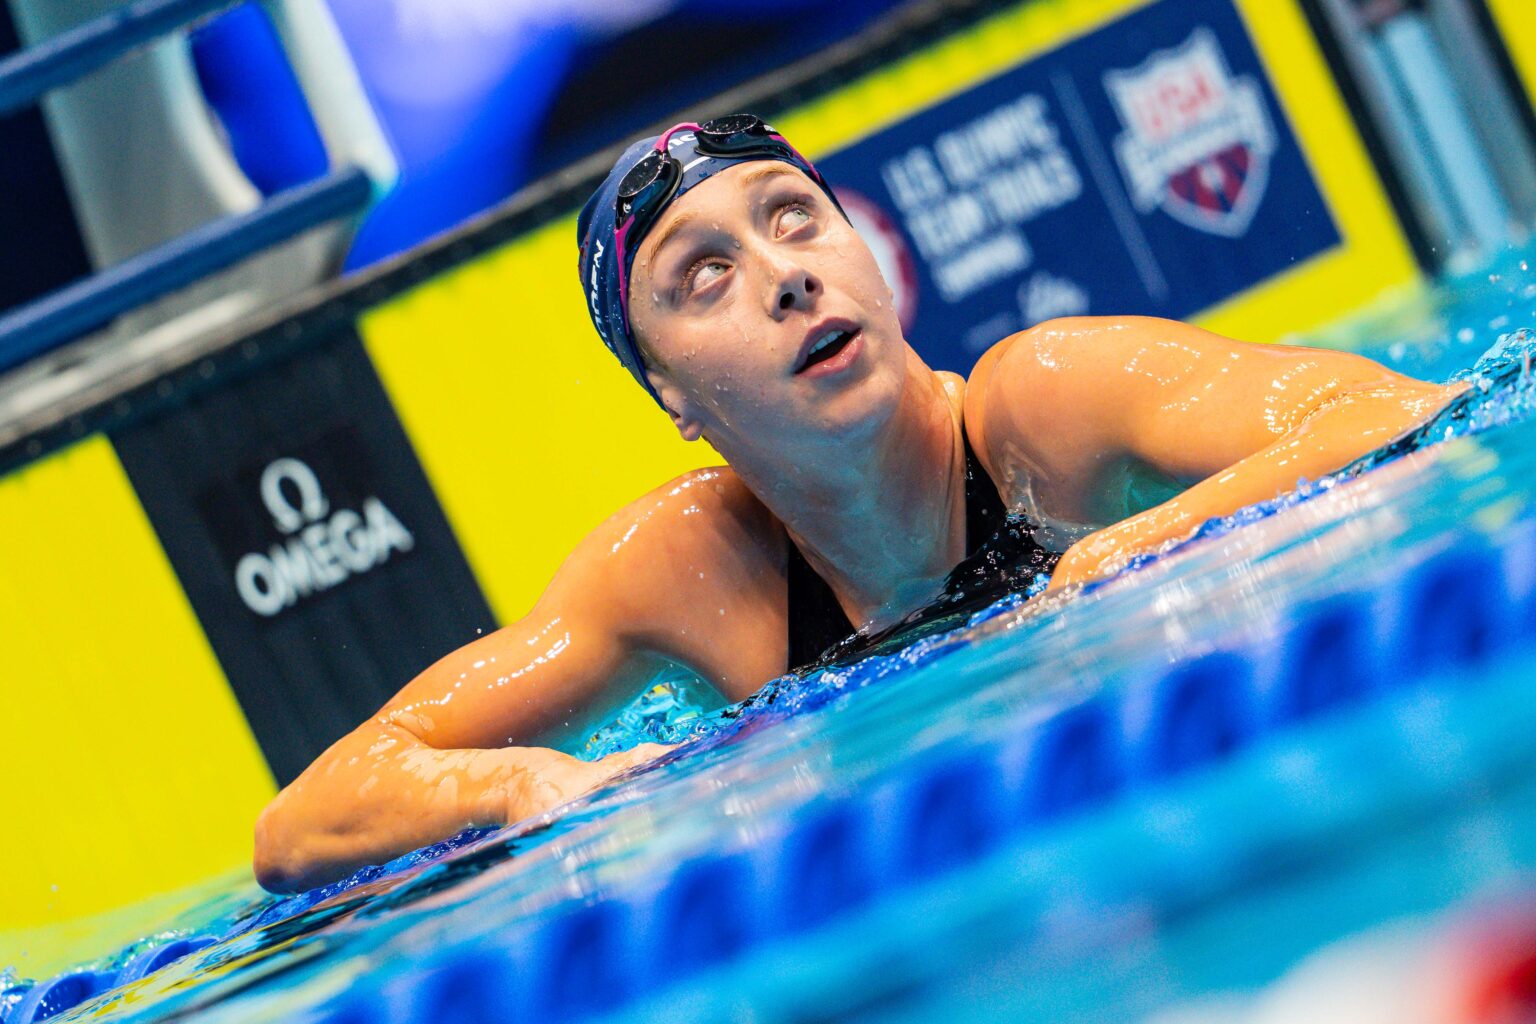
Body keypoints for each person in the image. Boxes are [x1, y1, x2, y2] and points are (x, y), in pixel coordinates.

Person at [253, 115, 1462, 893]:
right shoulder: (690, 569)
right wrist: (521, 784)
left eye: (793, 219)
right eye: (704, 276)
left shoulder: (1043, 408)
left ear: (862, 250)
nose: (783, 275)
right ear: (670, 392)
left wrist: (1144, 542)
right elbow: (301, 826)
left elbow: (1400, 407)